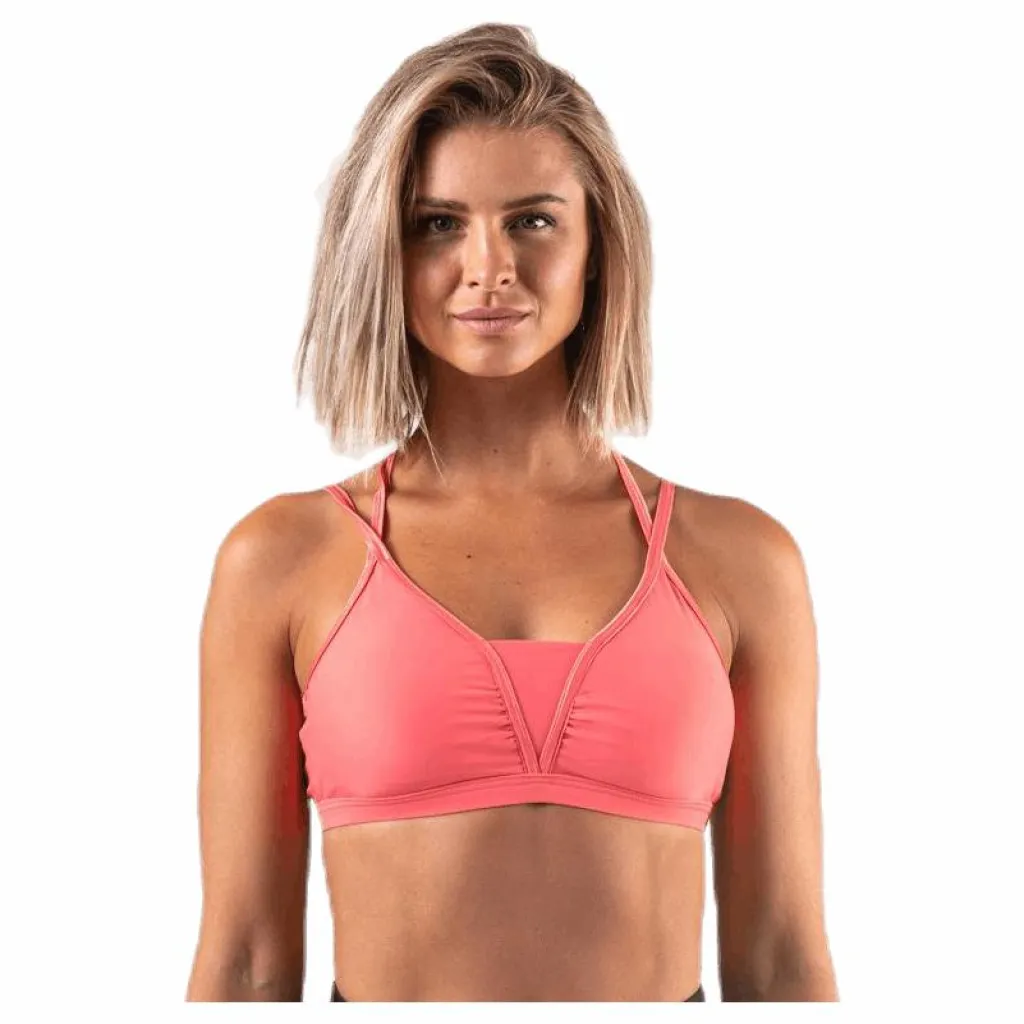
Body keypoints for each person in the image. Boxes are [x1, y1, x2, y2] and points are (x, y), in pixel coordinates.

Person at [185, 22, 838, 1002]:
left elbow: (782, 956)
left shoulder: (741, 559)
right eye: (437, 224)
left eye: (531, 220)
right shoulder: (282, 559)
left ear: (597, 246)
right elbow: (244, 962)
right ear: (382, 252)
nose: (487, 266)